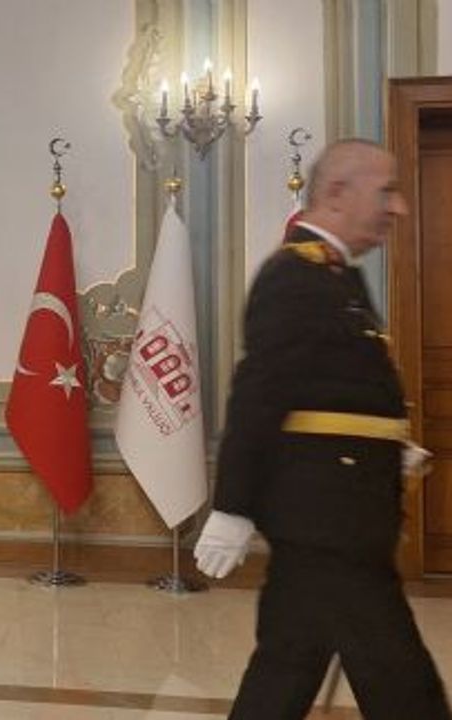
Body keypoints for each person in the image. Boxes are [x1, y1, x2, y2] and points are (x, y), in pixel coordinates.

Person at [195, 139, 450, 719]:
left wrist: (387, 443)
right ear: (336, 193)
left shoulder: (336, 278)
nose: (398, 207)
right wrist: (231, 506)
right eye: (386, 191)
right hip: (328, 524)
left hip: (337, 511)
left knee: (286, 668)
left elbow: (329, 391)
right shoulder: (294, 276)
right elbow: (260, 393)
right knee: (403, 685)